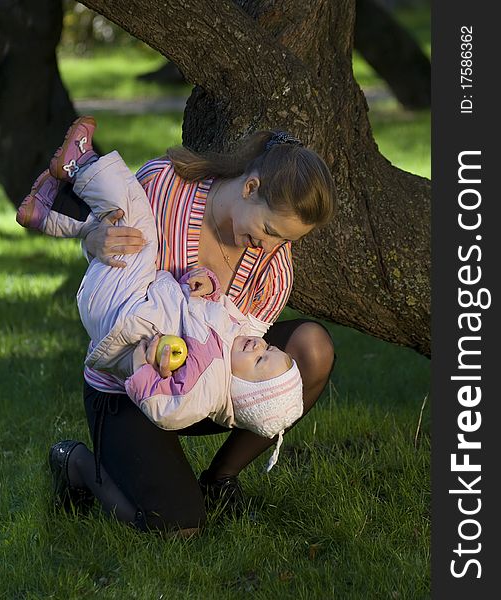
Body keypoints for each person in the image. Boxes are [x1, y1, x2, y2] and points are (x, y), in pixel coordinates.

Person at [22, 114, 337, 536]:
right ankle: (78, 465)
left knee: (312, 348)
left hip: (204, 388)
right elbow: (116, 264)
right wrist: (92, 240)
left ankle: (219, 479)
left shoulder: (273, 269)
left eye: (287, 240)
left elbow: (242, 359)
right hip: (127, 382)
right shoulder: (167, 185)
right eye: (269, 230)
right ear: (250, 187)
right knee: (177, 528)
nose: (274, 247)